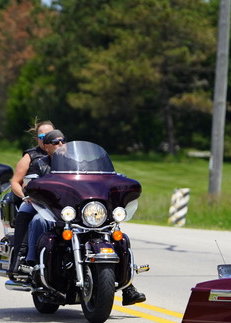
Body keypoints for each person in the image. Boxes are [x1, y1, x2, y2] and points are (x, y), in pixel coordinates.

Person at [16, 130, 147, 306]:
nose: (60, 145)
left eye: (63, 141)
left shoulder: (79, 163)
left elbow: (99, 178)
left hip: (83, 214)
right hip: (55, 212)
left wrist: (119, 181)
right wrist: (32, 188)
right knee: (39, 221)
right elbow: (29, 184)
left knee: (117, 234)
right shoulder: (40, 164)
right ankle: (33, 267)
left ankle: (128, 286)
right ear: (46, 147)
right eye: (55, 142)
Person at [6, 120, 54, 278]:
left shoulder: (65, 155)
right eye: (42, 135)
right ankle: (19, 258)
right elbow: (15, 182)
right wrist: (25, 196)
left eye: (50, 135)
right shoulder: (31, 156)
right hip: (35, 200)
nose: (46, 138)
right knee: (24, 213)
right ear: (37, 138)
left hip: (60, 201)